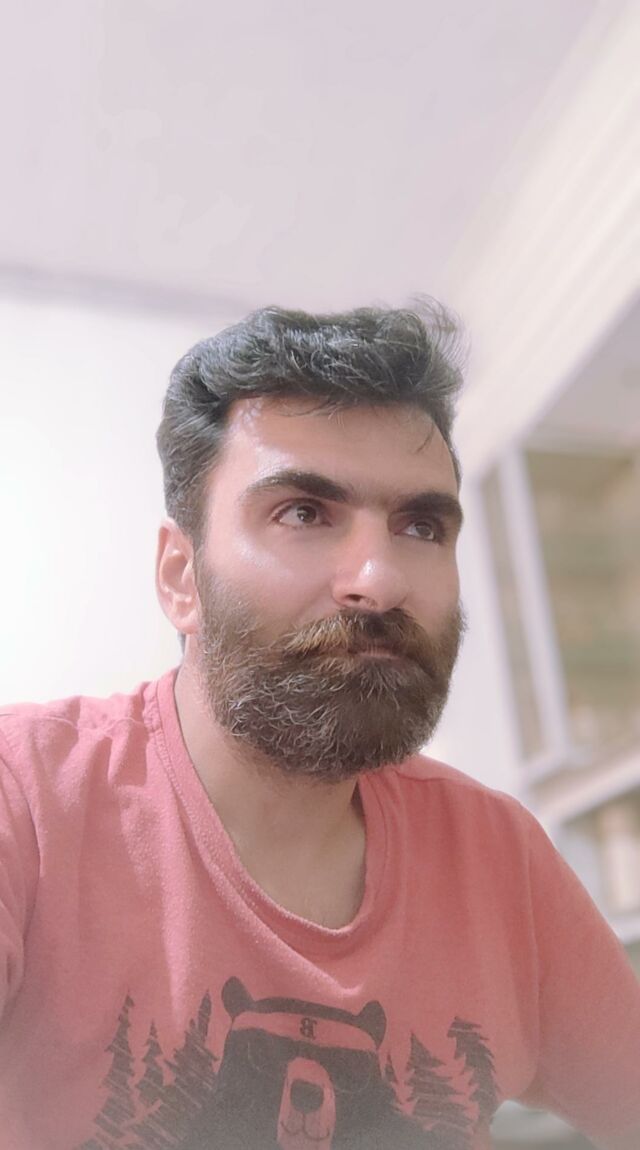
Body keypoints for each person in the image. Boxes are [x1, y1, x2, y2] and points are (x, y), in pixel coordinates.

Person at [0, 301, 638, 1150]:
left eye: (420, 526)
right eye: (303, 512)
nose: (379, 579)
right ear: (181, 577)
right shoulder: (26, 798)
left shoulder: (498, 858)